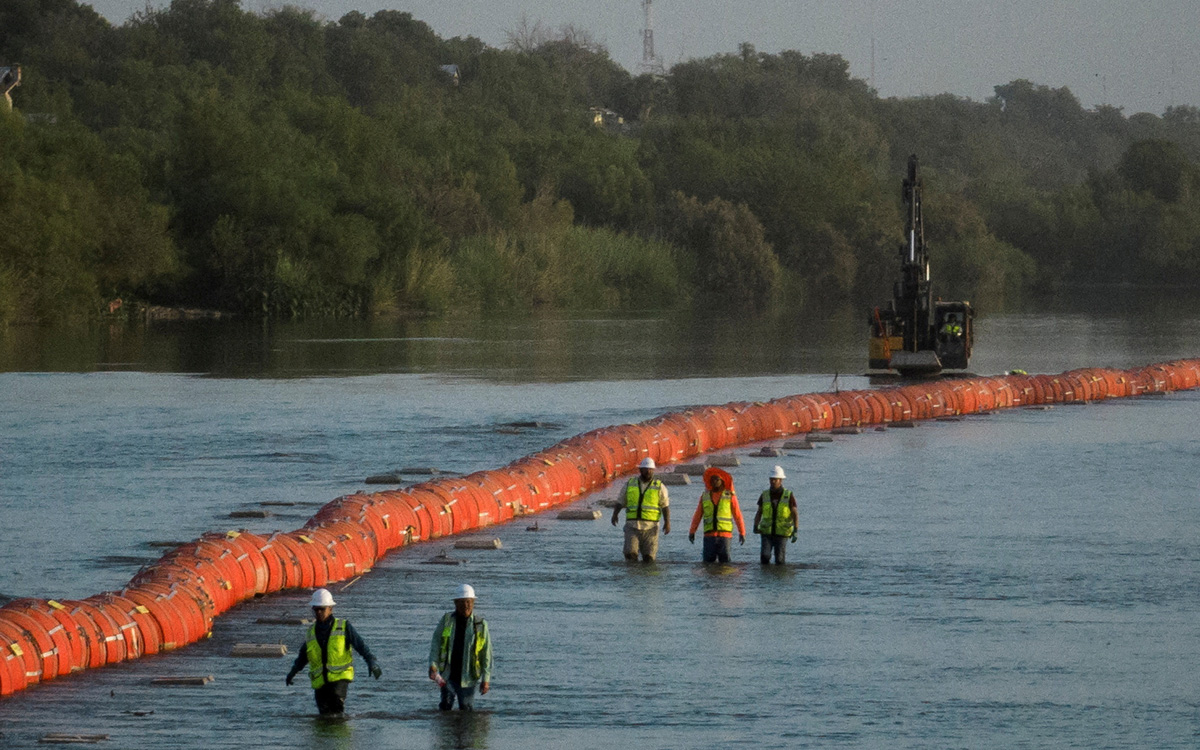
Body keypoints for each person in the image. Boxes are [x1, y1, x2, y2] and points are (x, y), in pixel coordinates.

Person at [285, 588, 382, 716]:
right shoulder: (311, 632)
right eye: (316, 609)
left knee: (336, 711)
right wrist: (293, 672)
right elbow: (303, 656)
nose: (319, 612)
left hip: (339, 679)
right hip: (320, 682)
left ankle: (339, 735)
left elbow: (362, 647)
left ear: (330, 608)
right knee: (323, 715)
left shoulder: (344, 626)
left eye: (322, 609)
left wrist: (372, 662)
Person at [429, 583, 494, 711]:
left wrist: (486, 680)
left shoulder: (480, 625)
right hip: (448, 674)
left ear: (473, 603)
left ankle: (465, 731)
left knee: (466, 710)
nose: (466, 606)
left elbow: (486, 653)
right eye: (462, 602)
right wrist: (433, 665)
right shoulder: (446, 621)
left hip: (468, 677)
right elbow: (436, 643)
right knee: (445, 707)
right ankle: (447, 730)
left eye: (469, 602)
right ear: (455, 603)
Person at [610, 457, 670, 562]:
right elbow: (620, 501)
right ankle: (632, 577)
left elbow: (665, 506)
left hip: (651, 527)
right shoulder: (630, 484)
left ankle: (646, 578)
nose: (648, 471)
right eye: (646, 469)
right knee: (630, 555)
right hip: (632, 526)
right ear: (640, 470)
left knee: (649, 558)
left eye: (651, 469)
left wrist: (667, 522)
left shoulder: (659, 487)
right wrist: (615, 515)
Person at [688, 467, 746, 563]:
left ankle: (723, 578)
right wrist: (692, 531)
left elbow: (738, 515)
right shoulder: (705, 496)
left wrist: (742, 532)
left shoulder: (730, 496)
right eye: (712, 479)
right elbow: (697, 515)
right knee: (708, 563)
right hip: (709, 536)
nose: (714, 481)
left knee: (725, 564)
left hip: (725, 536)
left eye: (717, 479)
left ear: (722, 481)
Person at [752, 465, 798, 564]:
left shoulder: (788, 495)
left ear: (780, 480)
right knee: (765, 556)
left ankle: (779, 578)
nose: (773, 482)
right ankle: (765, 578)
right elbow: (759, 512)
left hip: (782, 533)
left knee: (780, 560)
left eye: (775, 480)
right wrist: (755, 526)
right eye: (771, 479)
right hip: (766, 532)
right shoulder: (765, 495)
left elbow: (794, 513)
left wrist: (796, 530)